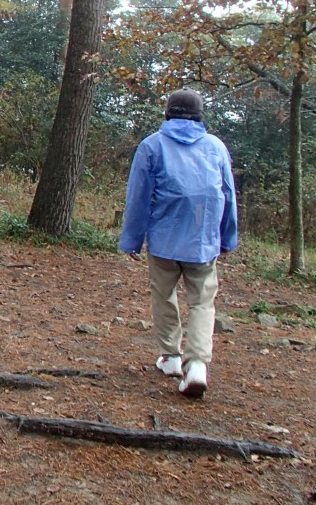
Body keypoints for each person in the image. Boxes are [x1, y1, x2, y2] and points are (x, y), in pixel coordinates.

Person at [119, 89, 238, 399]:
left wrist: (132, 240)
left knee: (164, 294)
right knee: (202, 301)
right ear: (200, 116)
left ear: (167, 114)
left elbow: (138, 198)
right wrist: (227, 237)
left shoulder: (152, 146)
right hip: (202, 241)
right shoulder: (216, 148)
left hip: (164, 240)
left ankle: (171, 357)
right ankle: (197, 364)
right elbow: (227, 195)